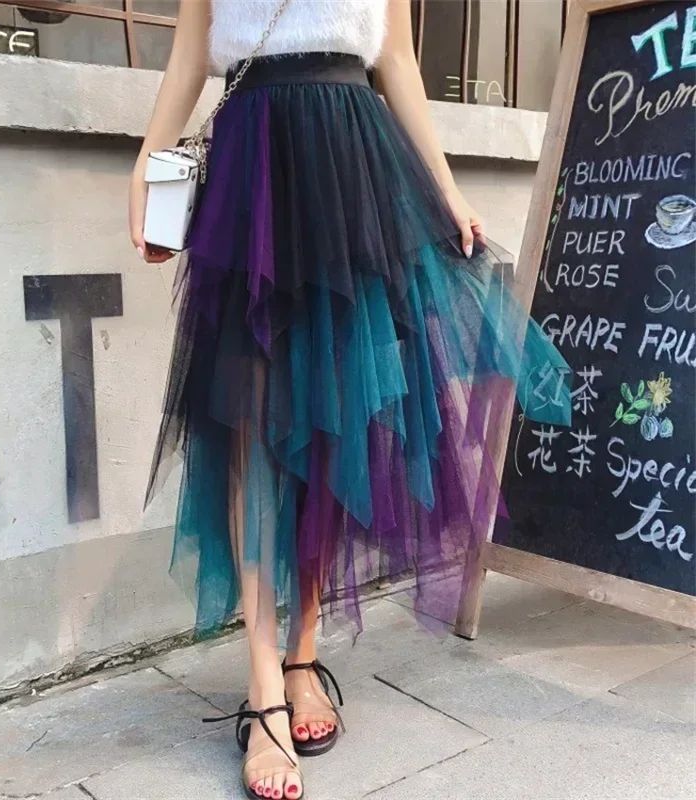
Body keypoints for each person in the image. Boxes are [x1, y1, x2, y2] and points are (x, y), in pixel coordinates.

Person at [129, 2, 571, 798]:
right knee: (251, 423)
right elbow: (191, 52)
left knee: (335, 420)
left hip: (354, 167)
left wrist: (446, 188)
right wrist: (147, 163)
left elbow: (395, 60)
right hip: (253, 171)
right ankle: (262, 685)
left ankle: (303, 656)